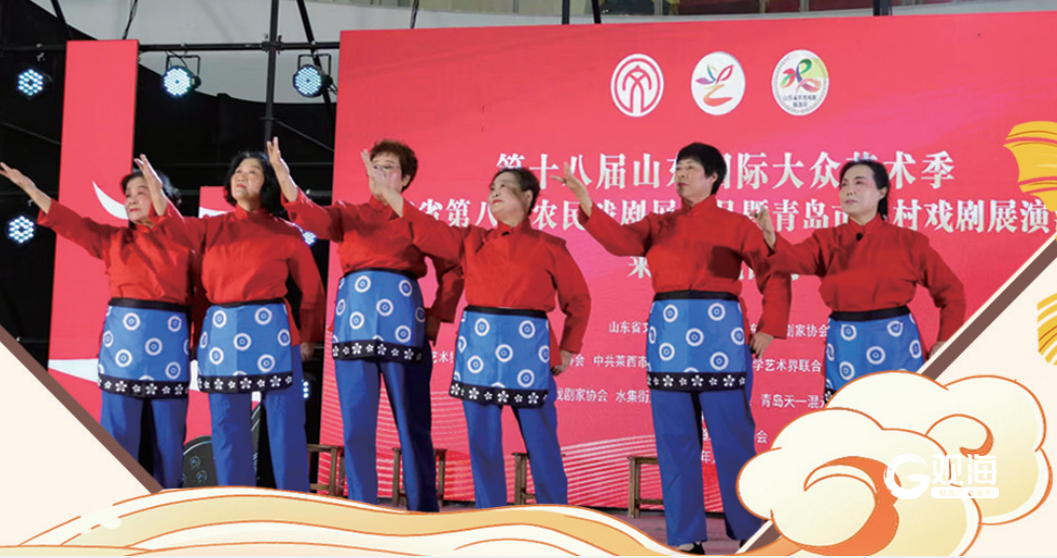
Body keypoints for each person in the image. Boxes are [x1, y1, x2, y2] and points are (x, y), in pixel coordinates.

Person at [555, 142, 791, 554]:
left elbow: (773, 273)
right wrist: (586, 201)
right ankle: (685, 536)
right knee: (674, 441)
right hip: (670, 343)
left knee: (733, 439)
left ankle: (751, 531)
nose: (680, 174)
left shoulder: (738, 225)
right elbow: (620, 241)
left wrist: (770, 327)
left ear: (714, 177)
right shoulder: (658, 224)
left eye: (691, 168)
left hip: (722, 343)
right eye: (678, 167)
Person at [367, 160, 590, 509]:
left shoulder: (551, 246)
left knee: (542, 443)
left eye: (504, 186)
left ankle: (555, 517)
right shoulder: (470, 240)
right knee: (483, 446)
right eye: (492, 188)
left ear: (527, 196)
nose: (494, 193)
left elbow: (578, 300)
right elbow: (425, 227)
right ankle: (490, 519)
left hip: (530, 355)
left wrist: (569, 348)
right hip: (480, 354)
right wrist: (388, 194)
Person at [270, 137, 463, 511]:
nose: (380, 173)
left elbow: (453, 264)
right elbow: (312, 216)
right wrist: (284, 177)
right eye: (375, 166)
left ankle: (423, 510)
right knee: (357, 427)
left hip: (404, 328)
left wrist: (439, 313)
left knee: (413, 425)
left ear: (405, 179)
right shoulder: (350, 213)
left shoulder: (417, 220)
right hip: (353, 328)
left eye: (389, 167)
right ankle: (363, 508)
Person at [1, 157, 195, 489]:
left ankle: (169, 502)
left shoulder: (188, 242)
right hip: (123, 351)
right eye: (128, 195)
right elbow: (71, 223)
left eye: (142, 191)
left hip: (170, 353)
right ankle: (118, 499)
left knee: (169, 439)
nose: (131, 200)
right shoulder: (113, 239)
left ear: (164, 196)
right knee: (118, 434)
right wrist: (30, 188)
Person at [166, 149, 325, 492]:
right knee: (227, 425)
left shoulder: (287, 232)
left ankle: (295, 501)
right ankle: (236, 501)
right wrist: (197, 338)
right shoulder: (211, 227)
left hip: (276, 334)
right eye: (238, 170)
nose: (241, 175)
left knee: (286, 425)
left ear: (267, 184)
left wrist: (309, 335)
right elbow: (196, 284)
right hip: (223, 334)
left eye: (252, 172)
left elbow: (313, 288)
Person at [754, 159, 965, 402]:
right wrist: (770, 235)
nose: (849, 190)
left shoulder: (910, 242)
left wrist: (945, 340)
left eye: (859, 183)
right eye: (844, 185)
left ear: (881, 192)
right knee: (847, 415)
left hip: (897, 344)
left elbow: (952, 292)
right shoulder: (826, 240)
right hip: (846, 344)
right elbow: (791, 259)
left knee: (902, 414)